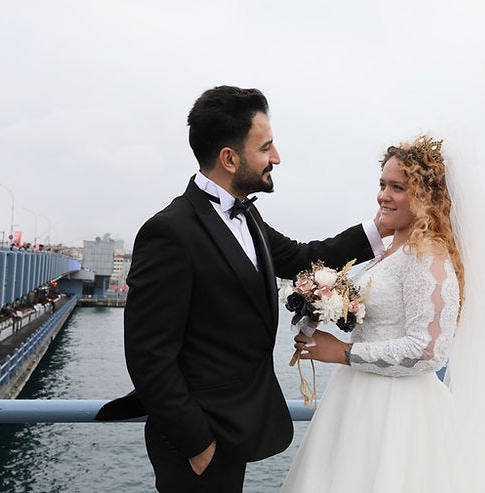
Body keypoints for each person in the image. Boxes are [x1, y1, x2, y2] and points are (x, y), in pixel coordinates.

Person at [95, 85, 388, 493]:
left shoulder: (247, 216)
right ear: (229, 158)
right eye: (266, 147)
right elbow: (148, 355)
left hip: (235, 429)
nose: (277, 158)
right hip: (195, 443)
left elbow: (303, 257)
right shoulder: (169, 232)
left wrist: (380, 228)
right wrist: (198, 443)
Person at [281, 135, 485, 492]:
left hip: (397, 415)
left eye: (398, 187)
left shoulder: (430, 258)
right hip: (356, 401)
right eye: (382, 185)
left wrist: (344, 352)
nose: (383, 196)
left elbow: (428, 351)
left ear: (426, 197)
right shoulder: (390, 252)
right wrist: (324, 308)